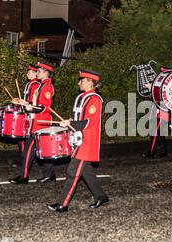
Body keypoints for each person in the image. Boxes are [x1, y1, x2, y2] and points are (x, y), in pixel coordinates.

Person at [47, 69, 109, 212]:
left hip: (86, 142)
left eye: (82, 80)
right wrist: (70, 124)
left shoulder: (94, 99)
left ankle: (63, 204)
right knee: (86, 172)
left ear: (90, 82)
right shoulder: (83, 97)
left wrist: (70, 123)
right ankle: (101, 196)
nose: (79, 82)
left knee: (72, 172)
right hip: (79, 139)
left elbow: (89, 122)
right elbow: (78, 118)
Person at [9, 62, 56, 184]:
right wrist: (23, 103)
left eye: (39, 71)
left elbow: (45, 107)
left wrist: (31, 108)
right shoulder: (42, 85)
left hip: (41, 123)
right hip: (38, 122)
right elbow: (35, 104)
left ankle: (24, 177)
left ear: (46, 73)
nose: (37, 72)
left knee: (28, 151)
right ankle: (49, 175)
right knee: (45, 149)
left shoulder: (46, 87)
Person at [10, 64, 40, 167]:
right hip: (26, 113)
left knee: (24, 138)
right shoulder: (30, 84)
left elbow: (32, 102)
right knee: (21, 138)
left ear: (36, 73)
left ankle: (25, 159)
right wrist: (18, 101)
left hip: (31, 115)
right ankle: (25, 158)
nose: (27, 73)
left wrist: (20, 101)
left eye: (30, 72)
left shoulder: (35, 84)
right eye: (27, 72)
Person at [142, 67, 171, 159]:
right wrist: (150, 90)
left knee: (156, 131)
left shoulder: (169, 85)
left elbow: (163, 96)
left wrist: (152, 88)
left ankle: (151, 152)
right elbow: (154, 98)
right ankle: (163, 150)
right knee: (158, 132)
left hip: (163, 112)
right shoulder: (160, 84)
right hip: (156, 111)